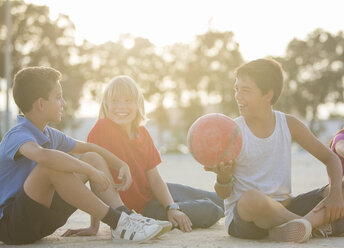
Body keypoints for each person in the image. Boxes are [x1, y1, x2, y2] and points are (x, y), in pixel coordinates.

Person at [0, 67, 167, 245]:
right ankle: (119, 222)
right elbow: (44, 156)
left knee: (92, 157)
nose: (63, 103)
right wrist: (90, 171)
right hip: (14, 226)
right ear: (41, 104)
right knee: (50, 167)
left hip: (42, 221)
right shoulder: (17, 135)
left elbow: (90, 148)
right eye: (58, 97)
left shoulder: (50, 134)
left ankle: (125, 217)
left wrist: (120, 164)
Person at [63, 75, 224, 237]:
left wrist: (171, 207)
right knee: (209, 210)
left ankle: (238, 204)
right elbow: (96, 180)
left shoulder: (143, 133)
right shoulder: (102, 129)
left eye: (128, 100)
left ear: (138, 103)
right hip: (141, 211)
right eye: (115, 101)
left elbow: (154, 178)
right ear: (106, 104)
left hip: (152, 193)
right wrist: (94, 227)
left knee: (216, 198)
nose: (121, 106)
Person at [206, 58, 344, 243]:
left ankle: (291, 229)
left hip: (286, 206)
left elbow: (330, 158)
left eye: (245, 90)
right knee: (251, 198)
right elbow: (223, 194)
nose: (238, 96)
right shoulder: (233, 132)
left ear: (268, 95)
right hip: (248, 218)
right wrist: (223, 178)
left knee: (341, 188)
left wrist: (335, 191)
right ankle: (310, 225)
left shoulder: (289, 124)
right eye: (236, 89)